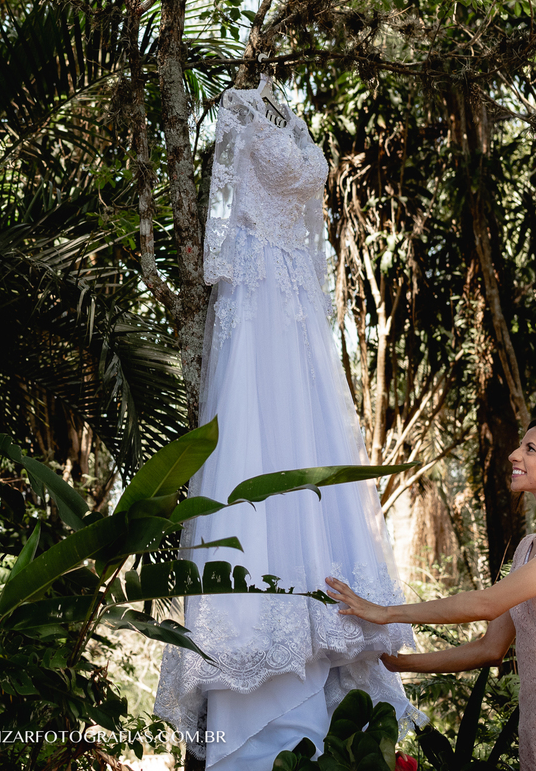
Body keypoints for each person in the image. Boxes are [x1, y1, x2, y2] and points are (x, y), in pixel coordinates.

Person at [152, 74, 422, 770]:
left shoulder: (291, 120)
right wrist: (234, 271)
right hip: (258, 312)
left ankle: (319, 655)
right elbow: (217, 231)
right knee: (255, 465)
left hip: (302, 321)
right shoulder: (239, 112)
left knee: (313, 482)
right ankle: (257, 680)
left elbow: (315, 237)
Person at [327, 414, 536, 771]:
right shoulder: (528, 546)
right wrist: (399, 664)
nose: (513, 455)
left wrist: (387, 612)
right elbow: (490, 648)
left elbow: (488, 602)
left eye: (529, 448)